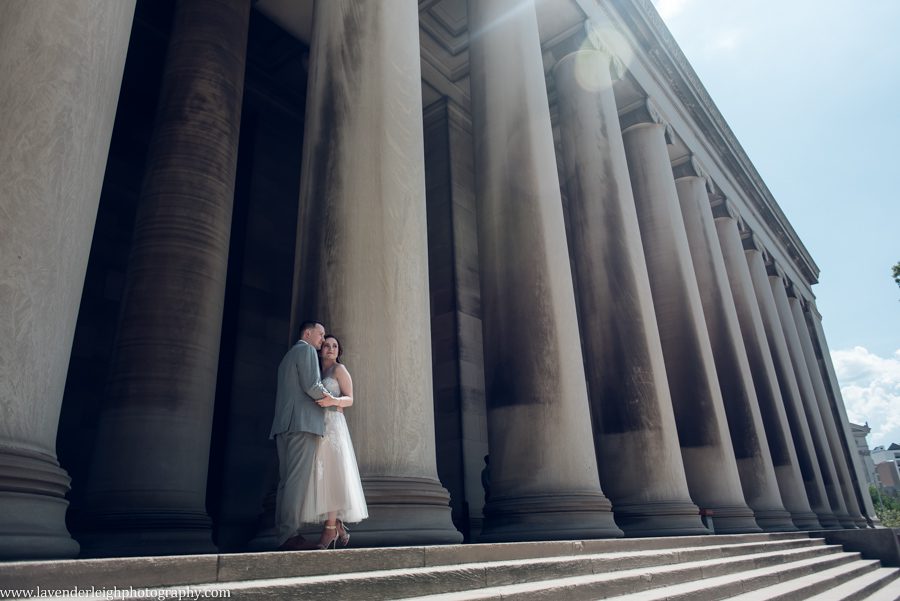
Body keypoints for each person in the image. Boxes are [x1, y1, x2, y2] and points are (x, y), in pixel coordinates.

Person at [270, 320, 334, 551]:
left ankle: (283, 533)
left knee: (286, 482)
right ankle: (289, 535)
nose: (322, 339)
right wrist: (333, 400)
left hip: (284, 426)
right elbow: (312, 385)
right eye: (320, 334)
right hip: (302, 425)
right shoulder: (306, 350)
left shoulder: (287, 357)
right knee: (296, 483)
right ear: (307, 333)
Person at [302, 334, 368, 549]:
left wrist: (334, 400)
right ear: (321, 349)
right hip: (317, 425)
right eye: (327, 345)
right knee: (319, 475)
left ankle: (329, 530)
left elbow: (350, 399)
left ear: (339, 350)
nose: (330, 349)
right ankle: (336, 523)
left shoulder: (340, 370)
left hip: (334, 425)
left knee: (332, 473)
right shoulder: (317, 371)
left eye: (335, 346)